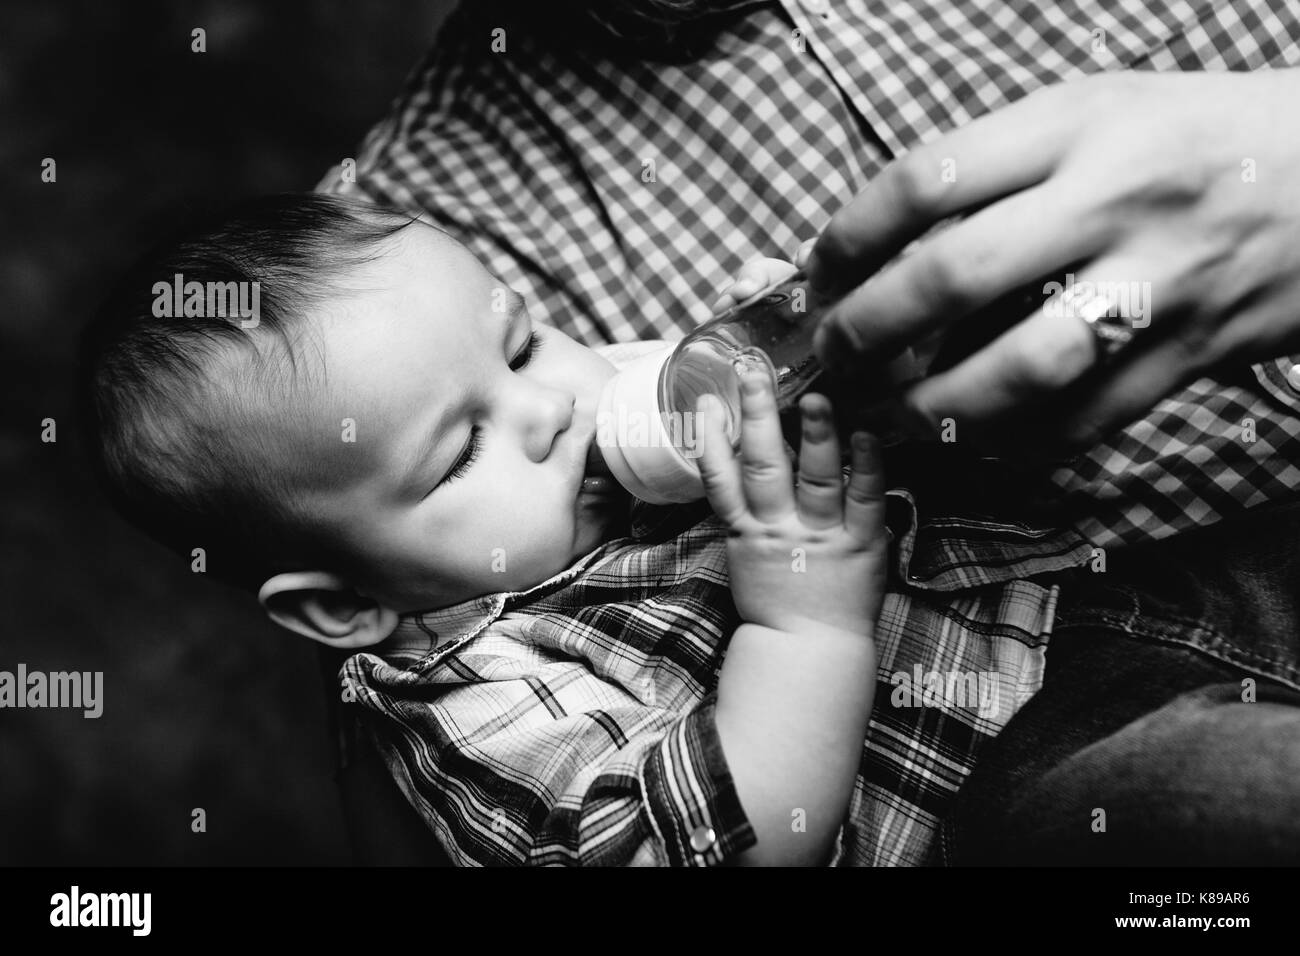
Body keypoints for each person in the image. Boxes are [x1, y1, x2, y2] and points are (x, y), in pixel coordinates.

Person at [309, 0, 1300, 862]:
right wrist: (806, 605)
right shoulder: (388, 258)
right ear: (342, 604)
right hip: (1045, 747)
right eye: (461, 450)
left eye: (525, 347)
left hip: (1181, 589)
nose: (550, 406)